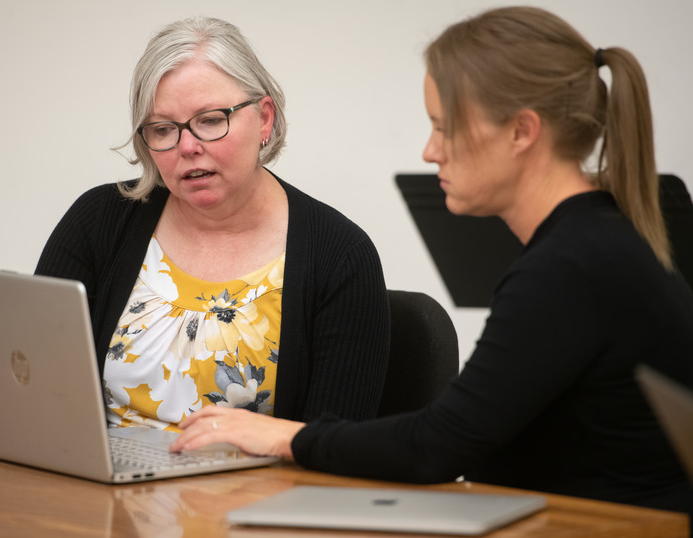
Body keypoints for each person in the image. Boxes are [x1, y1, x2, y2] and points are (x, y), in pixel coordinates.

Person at [171, 6, 693, 518]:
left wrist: (286, 435)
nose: (429, 151)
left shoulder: (570, 266)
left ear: (521, 131)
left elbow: (439, 445)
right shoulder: (595, 239)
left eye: (444, 128)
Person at [0, 17, 390, 443]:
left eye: (210, 120)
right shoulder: (103, 219)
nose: (187, 147)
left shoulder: (339, 255)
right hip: (93, 497)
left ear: (264, 118)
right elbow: (28, 365)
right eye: (163, 130)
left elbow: (340, 449)